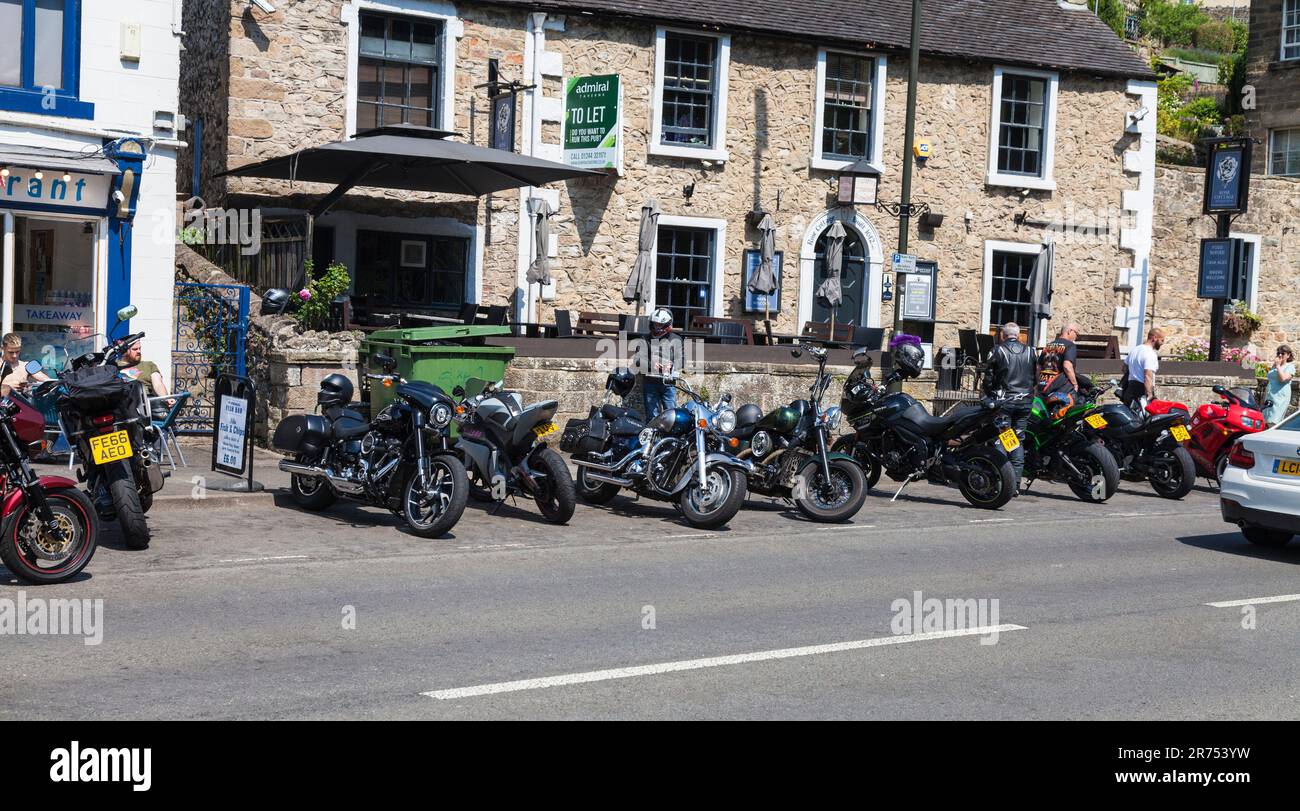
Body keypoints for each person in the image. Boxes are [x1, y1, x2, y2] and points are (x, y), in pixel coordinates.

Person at [983, 322, 1037, 493]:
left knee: (1003, 440)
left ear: (1002, 336)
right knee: (1016, 440)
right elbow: (1034, 377)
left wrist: (991, 395)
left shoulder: (997, 351)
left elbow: (988, 378)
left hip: (1005, 402)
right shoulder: (1031, 351)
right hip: (1025, 402)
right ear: (1019, 335)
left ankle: (1001, 482)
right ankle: (1015, 484)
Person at [637, 308, 684, 421]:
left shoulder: (676, 339)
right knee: (652, 416)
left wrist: (671, 365)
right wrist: (652, 365)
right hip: (650, 383)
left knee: (671, 415)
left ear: (667, 325)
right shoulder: (645, 339)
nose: (657, 327)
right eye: (655, 324)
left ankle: (670, 438)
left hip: (668, 384)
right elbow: (638, 360)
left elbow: (682, 359)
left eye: (660, 324)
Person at [116, 340, 174, 418]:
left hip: (146, 401)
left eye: (140, 348)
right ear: (125, 351)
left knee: (161, 411)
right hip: (125, 403)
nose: (139, 351)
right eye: (135, 349)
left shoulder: (148, 365)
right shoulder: (114, 367)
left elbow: (158, 383)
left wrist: (166, 398)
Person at [1036, 322, 1080, 418]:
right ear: (1070, 331)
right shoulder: (1070, 346)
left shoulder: (1049, 345)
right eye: (1077, 333)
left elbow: (1038, 367)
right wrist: (1075, 384)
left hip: (1043, 386)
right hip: (1059, 388)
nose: (1076, 337)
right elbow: (1067, 366)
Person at [1122, 327, 1165, 410]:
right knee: (1143, 421)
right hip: (1141, 393)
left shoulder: (1135, 349)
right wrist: (1149, 395)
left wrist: (1134, 374)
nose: (1163, 343)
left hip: (1129, 390)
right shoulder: (1150, 353)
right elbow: (1147, 376)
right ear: (1154, 338)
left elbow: (1124, 368)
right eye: (1162, 340)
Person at [1264, 344, 1295, 427]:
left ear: (1288, 355)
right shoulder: (1274, 366)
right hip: (1270, 397)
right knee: (1265, 421)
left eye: (1283, 353)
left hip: (1280, 398)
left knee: (1273, 421)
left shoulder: (1290, 366)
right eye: (1278, 353)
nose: (1280, 355)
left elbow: (1283, 379)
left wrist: (1278, 366)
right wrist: (1276, 366)